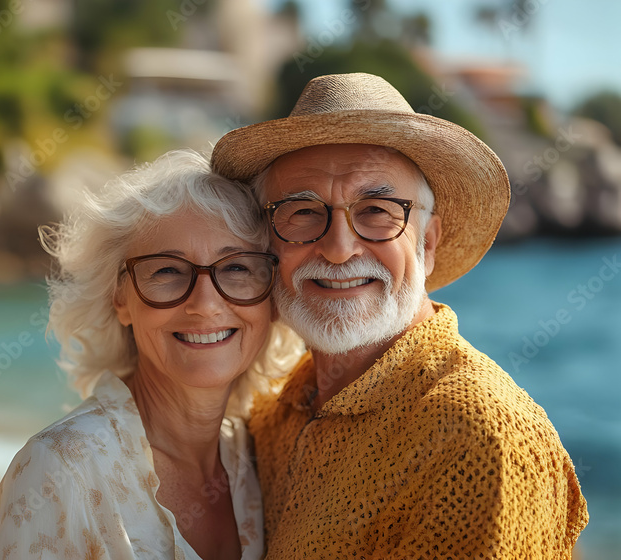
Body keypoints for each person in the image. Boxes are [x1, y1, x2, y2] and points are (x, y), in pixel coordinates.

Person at [210, 73, 589, 558]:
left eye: (377, 210)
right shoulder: (277, 411)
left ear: (426, 244)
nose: (340, 249)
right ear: (269, 243)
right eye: (302, 212)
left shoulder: (478, 438)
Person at [0, 149, 302, 559]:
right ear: (120, 298)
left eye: (237, 268)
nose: (204, 304)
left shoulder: (262, 457)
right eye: (167, 270)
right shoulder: (60, 472)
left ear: (272, 299)